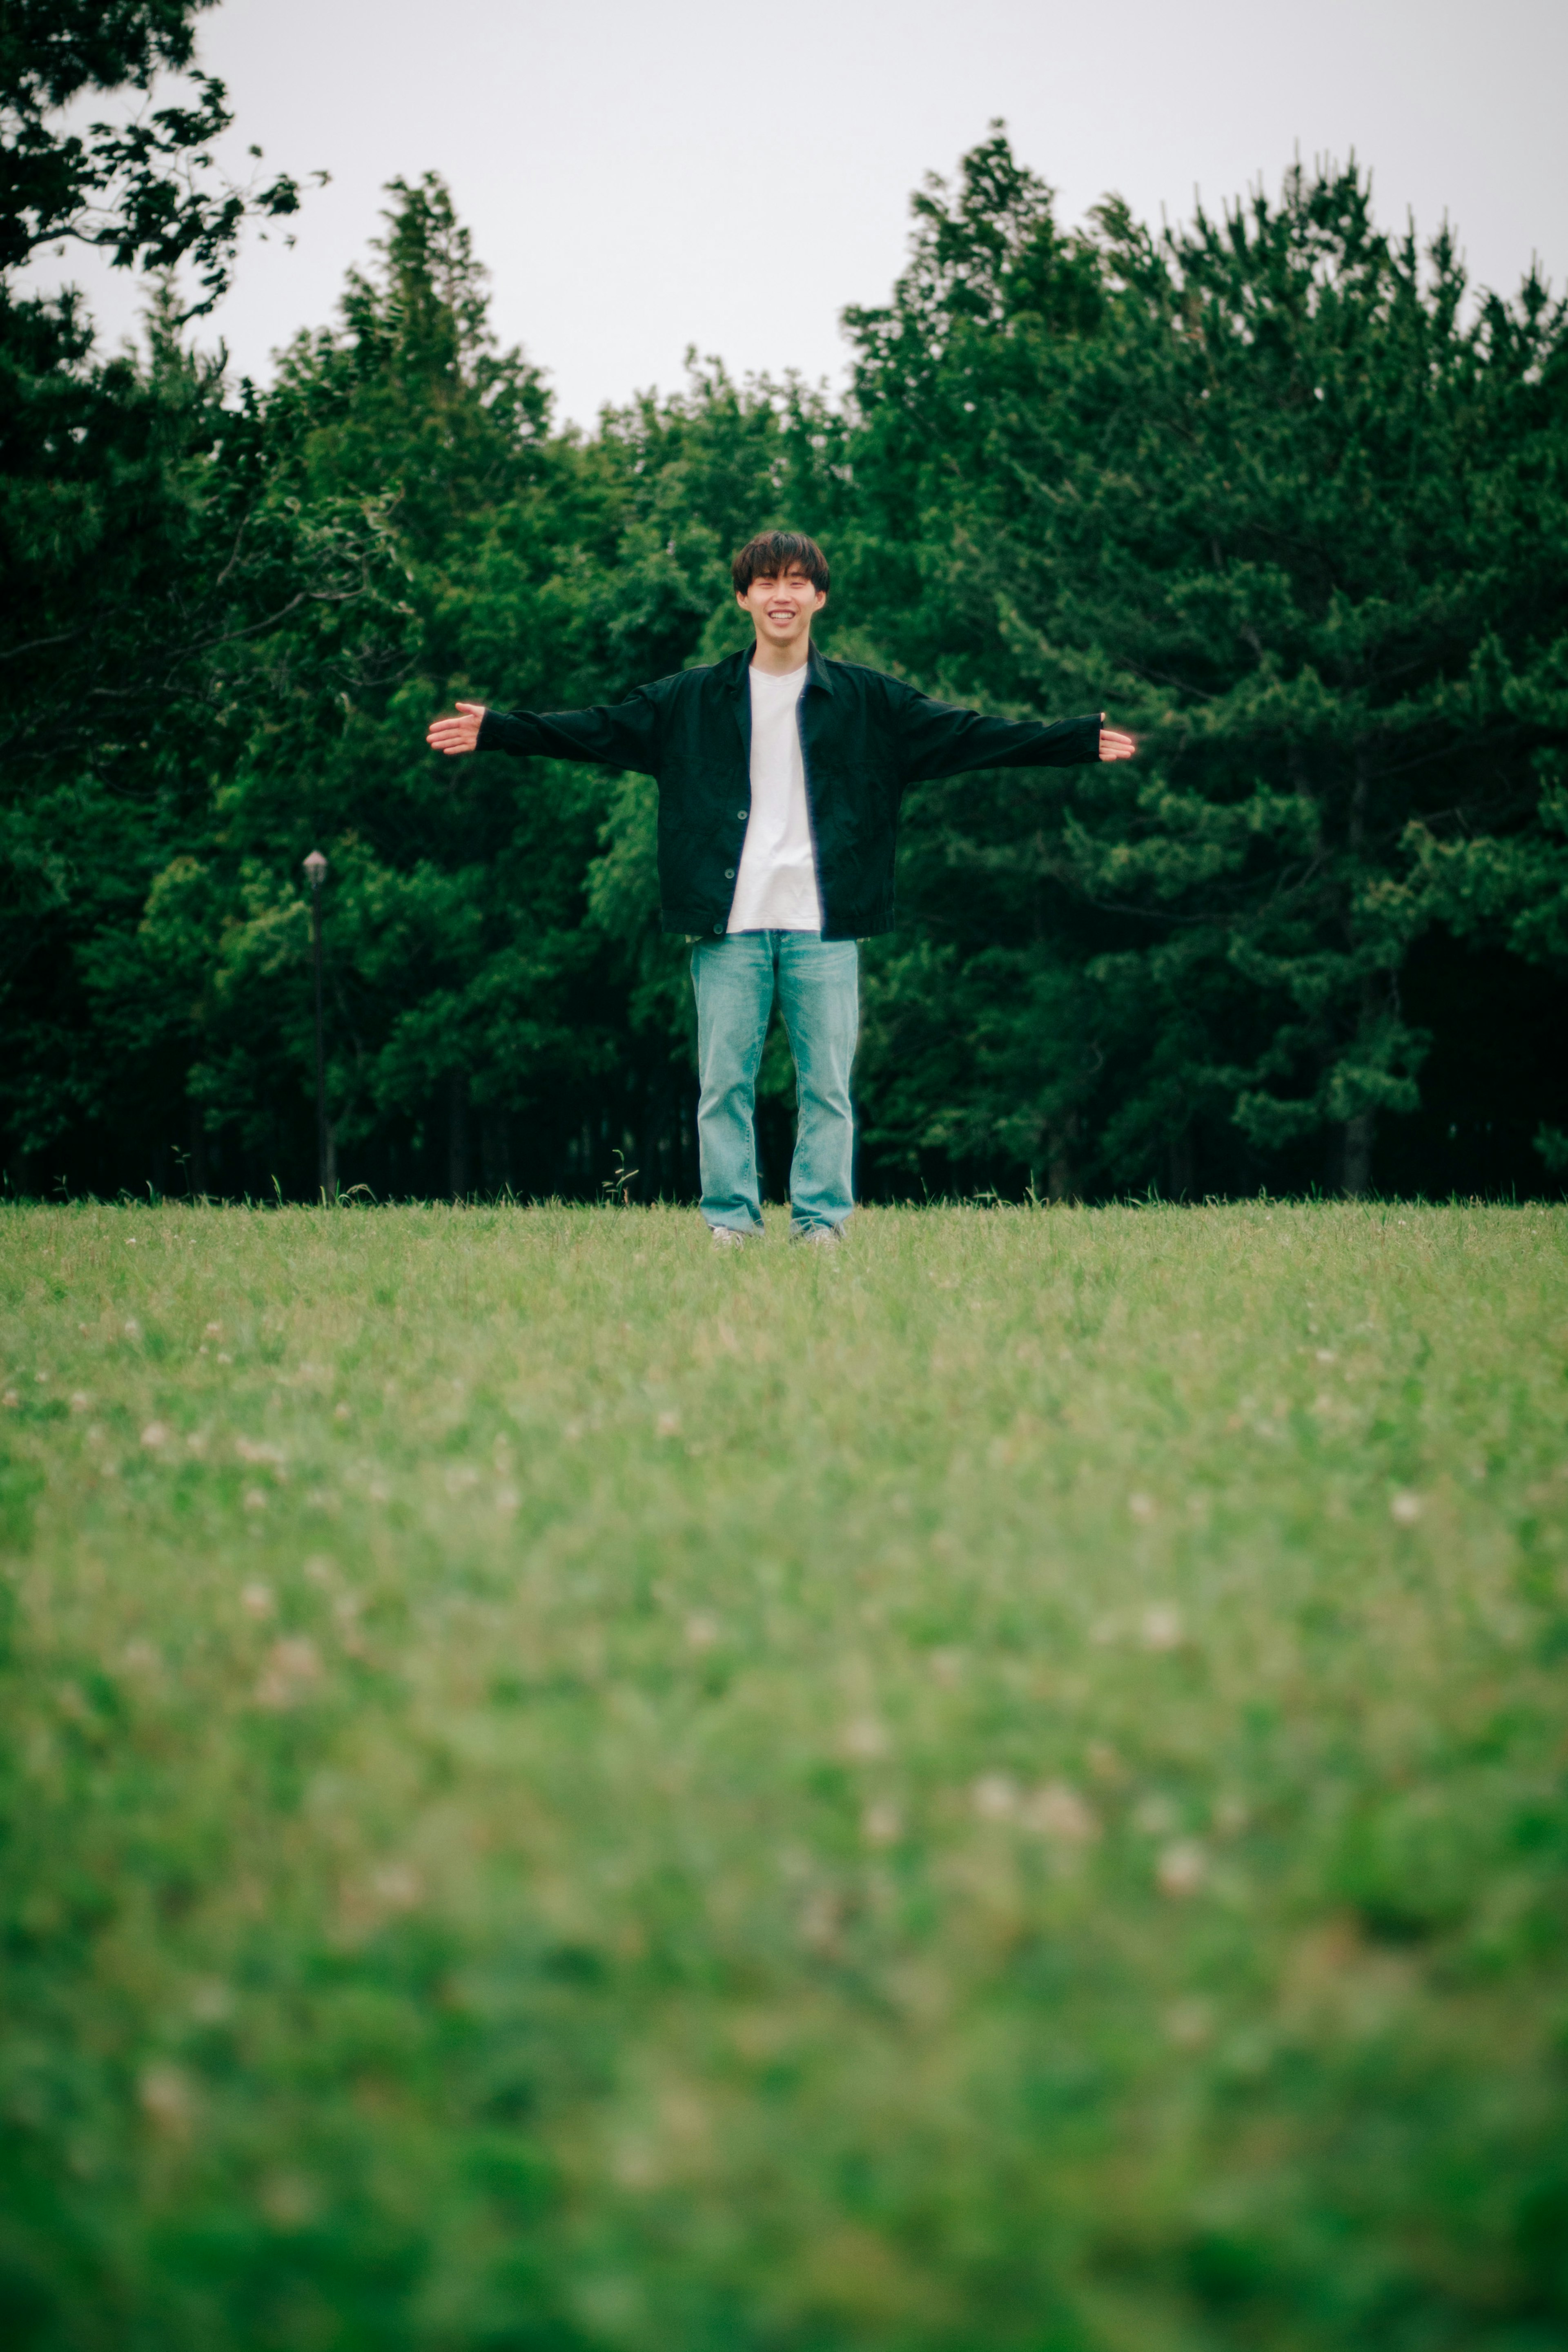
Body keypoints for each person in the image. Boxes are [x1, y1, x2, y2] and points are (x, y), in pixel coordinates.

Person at [426, 530, 1134, 1246]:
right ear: (744, 597)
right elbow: (596, 731)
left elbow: (972, 736)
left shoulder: (868, 701)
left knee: (826, 1088)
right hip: (726, 925)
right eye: (767, 582)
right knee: (722, 1088)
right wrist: (500, 731)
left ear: (819, 598)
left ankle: (822, 1225)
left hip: (824, 925)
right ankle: (731, 1225)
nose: (782, 594)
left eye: (798, 581)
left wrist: (1071, 740)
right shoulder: (693, 699)